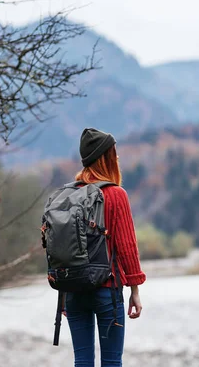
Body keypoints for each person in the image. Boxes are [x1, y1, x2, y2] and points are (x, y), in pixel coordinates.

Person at [65, 127, 146, 367]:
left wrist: (62, 296)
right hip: (107, 289)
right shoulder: (115, 194)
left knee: (82, 361)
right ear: (105, 158)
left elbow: (62, 250)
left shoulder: (69, 195)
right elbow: (127, 247)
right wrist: (135, 291)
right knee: (111, 362)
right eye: (114, 153)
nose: (118, 158)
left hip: (73, 291)